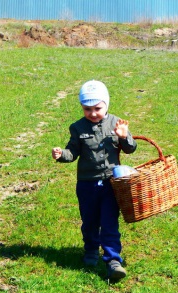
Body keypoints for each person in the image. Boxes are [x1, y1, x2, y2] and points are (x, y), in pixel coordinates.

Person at [52, 80, 137, 281]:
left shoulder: (117, 123)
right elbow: (73, 152)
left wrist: (124, 137)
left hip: (111, 184)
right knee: (89, 221)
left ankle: (113, 260)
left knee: (109, 222)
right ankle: (90, 250)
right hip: (86, 184)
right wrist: (61, 154)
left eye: (97, 108)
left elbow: (130, 148)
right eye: (87, 109)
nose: (92, 113)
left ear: (106, 104)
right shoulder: (77, 127)